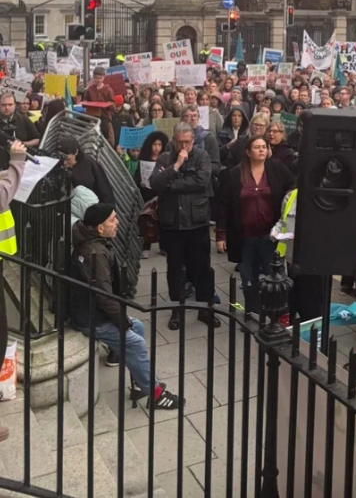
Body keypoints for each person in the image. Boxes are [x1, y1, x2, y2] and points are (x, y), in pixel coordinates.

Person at [68, 203, 184, 409]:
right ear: (99, 228)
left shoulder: (92, 244)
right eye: (112, 220)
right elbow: (103, 295)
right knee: (135, 342)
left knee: (137, 327)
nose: (117, 222)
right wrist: (121, 320)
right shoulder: (94, 253)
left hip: (91, 312)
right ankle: (156, 394)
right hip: (91, 318)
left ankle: (142, 382)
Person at [216, 135, 295, 313]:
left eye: (264, 147)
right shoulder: (235, 173)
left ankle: (276, 312)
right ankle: (253, 311)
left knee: (274, 275)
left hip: (271, 235)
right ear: (248, 152)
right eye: (257, 147)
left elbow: (293, 185)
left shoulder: (276, 168)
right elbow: (224, 204)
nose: (262, 150)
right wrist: (220, 234)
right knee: (248, 278)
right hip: (245, 236)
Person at [150, 123, 218, 330]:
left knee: (202, 268)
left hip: (196, 222)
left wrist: (172, 185)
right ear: (173, 140)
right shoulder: (165, 158)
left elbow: (202, 181)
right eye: (180, 142)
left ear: (193, 140)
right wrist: (176, 166)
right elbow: (155, 182)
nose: (184, 146)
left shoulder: (202, 156)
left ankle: (206, 309)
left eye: (187, 142)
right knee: (175, 270)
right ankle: (176, 310)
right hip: (173, 224)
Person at [59, 137, 116, 206]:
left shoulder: (88, 163)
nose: (64, 162)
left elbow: (103, 187)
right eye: (62, 159)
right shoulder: (58, 166)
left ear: (76, 152)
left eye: (68, 159)